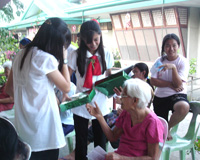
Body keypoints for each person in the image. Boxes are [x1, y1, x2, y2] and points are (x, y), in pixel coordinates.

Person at [5, 18, 71, 160]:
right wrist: (65, 59)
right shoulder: (45, 58)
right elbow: (66, 86)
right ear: (54, 42)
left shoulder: (19, 55)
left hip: (24, 126)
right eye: (62, 44)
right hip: (44, 129)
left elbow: (9, 89)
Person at [67, 20, 114, 160]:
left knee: (100, 141)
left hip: (100, 103)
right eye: (88, 42)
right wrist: (65, 93)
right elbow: (66, 78)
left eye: (96, 40)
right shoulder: (75, 55)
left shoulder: (106, 53)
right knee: (81, 140)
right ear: (81, 40)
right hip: (81, 102)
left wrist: (115, 88)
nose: (93, 44)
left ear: (100, 36)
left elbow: (109, 76)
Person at [86, 78, 164, 160]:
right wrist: (99, 117)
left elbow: (153, 158)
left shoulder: (153, 123)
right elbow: (112, 137)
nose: (120, 98)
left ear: (135, 100)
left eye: (123, 95)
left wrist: (121, 158)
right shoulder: (126, 113)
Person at [150, 33, 190, 140]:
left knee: (183, 107)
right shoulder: (159, 61)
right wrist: (169, 84)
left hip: (177, 95)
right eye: (167, 45)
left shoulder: (183, 61)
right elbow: (153, 80)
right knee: (158, 126)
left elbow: (178, 85)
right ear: (163, 47)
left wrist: (173, 68)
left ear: (178, 46)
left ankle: (167, 128)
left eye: (174, 45)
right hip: (160, 96)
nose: (171, 48)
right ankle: (163, 129)